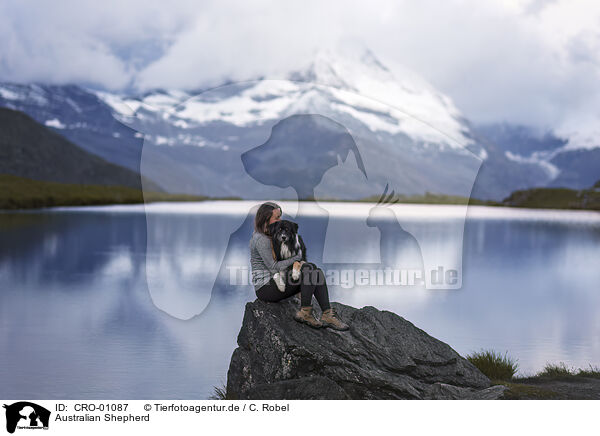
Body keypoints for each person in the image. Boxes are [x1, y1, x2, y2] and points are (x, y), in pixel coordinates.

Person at [249, 201, 349, 330]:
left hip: (280, 281)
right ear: (266, 219)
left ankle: (325, 314)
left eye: (280, 216)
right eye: (277, 217)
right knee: (310, 269)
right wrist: (297, 258)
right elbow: (274, 267)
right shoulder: (261, 239)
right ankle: (308, 313)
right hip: (266, 288)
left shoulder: (272, 234)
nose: (280, 220)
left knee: (315, 270)